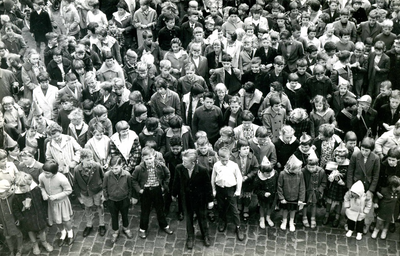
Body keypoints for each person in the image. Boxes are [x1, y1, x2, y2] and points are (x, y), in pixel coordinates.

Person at [172, 149, 214, 249]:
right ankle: (190, 236)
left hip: (200, 199)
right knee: (189, 218)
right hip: (186, 199)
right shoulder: (179, 168)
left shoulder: (202, 170)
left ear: (193, 162)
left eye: (185, 162)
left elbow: (207, 186)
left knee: (202, 218)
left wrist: (210, 200)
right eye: (183, 161)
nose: (183, 163)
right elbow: (176, 182)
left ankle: (205, 235)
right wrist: (173, 194)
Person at [132, 146, 174, 239]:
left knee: (160, 209)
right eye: (146, 159)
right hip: (146, 191)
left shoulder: (160, 165)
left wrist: (164, 186)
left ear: (154, 156)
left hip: (157, 189)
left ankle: (164, 225)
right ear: (143, 159)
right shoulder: (139, 168)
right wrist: (139, 190)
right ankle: (143, 229)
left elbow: (168, 174)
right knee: (145, 211)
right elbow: (133, 180)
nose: (149, 161)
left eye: (150, 158)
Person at [12, 172, 53, 255]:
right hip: (27, 218)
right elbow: (15, 209)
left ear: (29, 183)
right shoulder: (17, 196)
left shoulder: (36, 189)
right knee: (30, 231)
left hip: (39, 215)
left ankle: (44, 242)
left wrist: (44, 213)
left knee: (42, 230)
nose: (21, 188)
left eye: (23, 186)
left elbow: (43, 202)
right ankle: (35, 244)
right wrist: (21, 218)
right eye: (19, 186)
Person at [211, 147, 244, 241]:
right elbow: (213, 178)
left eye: (226, 160)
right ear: (219, 157)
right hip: (220, 189)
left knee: (234, 208)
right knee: (221, 207)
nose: (224, 162)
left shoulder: (234, 165)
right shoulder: (216, 165)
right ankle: (222, 221)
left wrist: (238, 191)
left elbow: (239, 178)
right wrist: (214, 190)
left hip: (230, 189)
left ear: (229, 156)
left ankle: (238, 227)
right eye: (223, 160)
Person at [39, 160, 74, 246]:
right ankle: (63, 232)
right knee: (57, 220)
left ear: (54, 172)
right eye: (44, 172)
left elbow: (69, 190)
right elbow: (41, 186)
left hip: (62, 202)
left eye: (47, 173)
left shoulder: (62, 179)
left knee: (66, 220)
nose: (45, 174)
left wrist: (56, 196)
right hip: (52, 204)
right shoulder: (42, 176)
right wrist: (43, 193)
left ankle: (70, 232)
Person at [74, 149, 105, 237]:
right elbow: (75, 183)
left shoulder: (97, 166)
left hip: (97, 191)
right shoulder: (77, 170)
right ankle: (89, 224)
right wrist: (79, 196)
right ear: (81, 160)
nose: (90, 161)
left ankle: (102, 224)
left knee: (99, 206)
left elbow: (103, 179)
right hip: (85, 193)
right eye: (88, 160)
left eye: (91, 159)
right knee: (87, 208)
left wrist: (103, 193)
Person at [102, 156, 133, 243]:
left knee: (125, 215)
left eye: (116, 168)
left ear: (121, 165)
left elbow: (130, 187)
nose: (114, 170)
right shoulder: (107, 175)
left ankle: (126, 228)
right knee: (114, 216)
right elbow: (104, 187)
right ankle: (115, 231)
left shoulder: (127, 175)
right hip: (112, 201)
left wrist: (129, 197)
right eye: (112, 168)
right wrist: (107, 198)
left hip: (124, 200)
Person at [230, 138, 259, 222]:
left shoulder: (252, 157)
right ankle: (239, 206)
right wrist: (237, 177)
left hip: (248, 181)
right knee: (239, 194)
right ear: (239, 149)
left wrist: (248, 176)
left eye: (247, 148)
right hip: (237, 180)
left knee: (247, 195)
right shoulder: (233, 157)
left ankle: (246, 207)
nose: (246, 151)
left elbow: (256, 168)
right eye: (244, 149)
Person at [277, 155, 306, 232]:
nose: (300, 169)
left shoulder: (300, 174)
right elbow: (279, 186)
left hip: (295, 197)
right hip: (285, 197)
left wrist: (301, 199)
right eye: (298, 168)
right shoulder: (282, 174)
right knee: (285, 209)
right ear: (292, 168)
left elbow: (302, 186)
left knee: (293, 210)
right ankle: (284, 221)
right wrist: (281, 198)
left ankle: (291, 222)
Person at [324, 144, 350, 227]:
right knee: (329, 201)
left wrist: (343, 182)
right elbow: (326, 172)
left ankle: (337, 217)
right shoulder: (331, 164)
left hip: (340, 187)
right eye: (338, 158)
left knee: (339, 202)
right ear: (335, 156)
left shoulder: (347, 165)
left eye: (342, 158)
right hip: (332, 186)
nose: (340, 160)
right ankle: (326, 214)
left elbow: (348, 176)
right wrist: (329, 177)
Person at [301, 152, 326, 229]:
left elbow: (324, 182)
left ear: (317, 165)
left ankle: (313, 217)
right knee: (305, 204)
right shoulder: (303, 171)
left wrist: (320, 190)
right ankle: (304, 217)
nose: (311, 169)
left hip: (315, 192)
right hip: (306, 191)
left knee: (314, 204)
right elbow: (301, 181)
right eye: (309, 167)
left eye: (313, 167)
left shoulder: (321, 171)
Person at [0, 179, 23, 256]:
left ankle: (19, 249)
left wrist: (18, 219)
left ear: (7, 191)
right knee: (7, 236)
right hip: (4, 221)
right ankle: (11, 250)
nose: (0, 195)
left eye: (1, 193)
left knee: (18, 234)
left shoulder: (13, 197)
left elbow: (18, 209)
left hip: (13, 219)